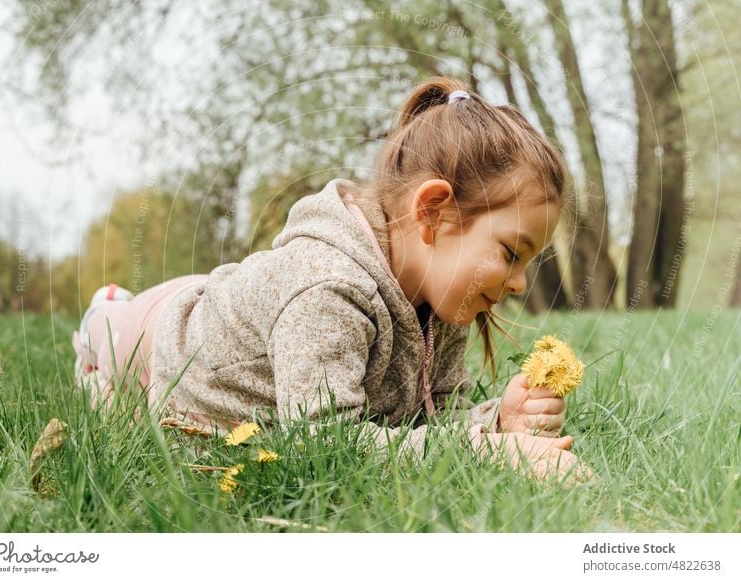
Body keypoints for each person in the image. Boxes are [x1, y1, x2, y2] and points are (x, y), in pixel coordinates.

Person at [71, 76, 593, 484]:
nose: (521, 284)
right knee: (113, 346)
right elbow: (320, 443)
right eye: (510, 253)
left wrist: (497, 420)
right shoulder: (329, 291)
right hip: (170, 334)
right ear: (434, 211)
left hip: (238, 306)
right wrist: (487, 454)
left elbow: (430, 418)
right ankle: (103, 312)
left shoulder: (442, 294)